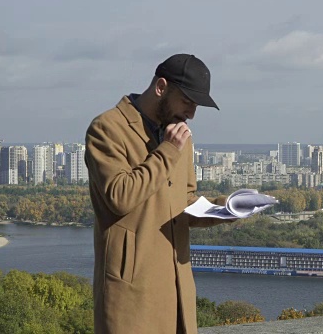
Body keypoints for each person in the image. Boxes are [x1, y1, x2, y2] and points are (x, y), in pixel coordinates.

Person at [85, 54, 230, 334]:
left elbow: (183, 203)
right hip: (132, 293)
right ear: (161, 87)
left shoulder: (178, 136)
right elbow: (119, 196)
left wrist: (227, 209)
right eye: (187, 101)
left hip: (178, 288)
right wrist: (168, 151)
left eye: (196, 105)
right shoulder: (107, 128)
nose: (192, 113)